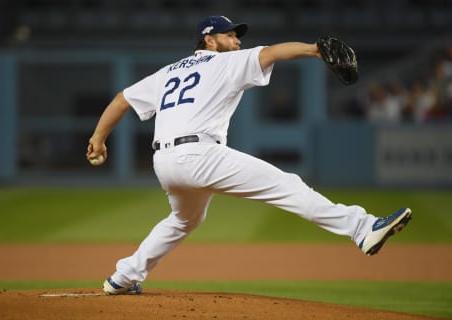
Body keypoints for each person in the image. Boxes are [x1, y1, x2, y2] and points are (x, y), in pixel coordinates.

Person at [86, 15, 412, 295]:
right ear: (209, 40)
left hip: (165, 163)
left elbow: (121, 99)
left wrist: (99, 139)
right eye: (229, 35)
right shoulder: (225, 61)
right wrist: (313, 49)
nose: (237, 40)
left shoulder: (167, 72)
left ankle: (124, 276)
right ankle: (363, 227)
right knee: (288, 186)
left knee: (184, 219)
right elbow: (272, 53)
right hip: (200, 155)